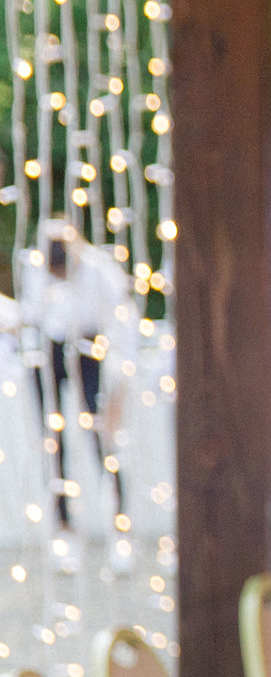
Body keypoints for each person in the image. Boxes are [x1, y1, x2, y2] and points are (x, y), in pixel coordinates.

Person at [22, 222, 132, 545]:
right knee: (52, 437)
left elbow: (123, 319)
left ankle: (118, 515)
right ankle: (62, 522)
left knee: (100, 434)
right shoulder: (35, 266)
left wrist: (120, 388)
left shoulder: (99, 270)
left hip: (89, 348)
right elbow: (32, 312)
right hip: (49, 348)